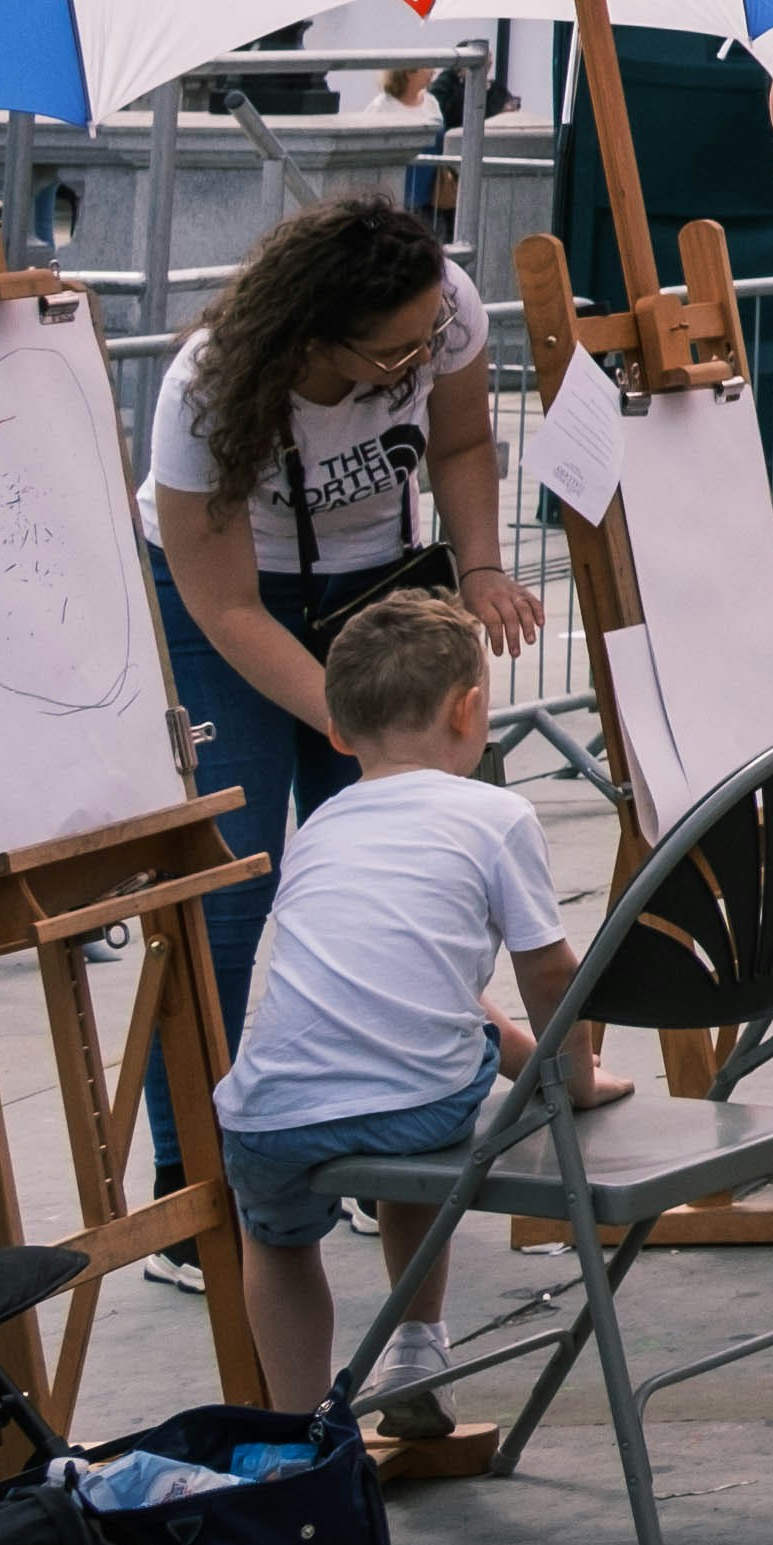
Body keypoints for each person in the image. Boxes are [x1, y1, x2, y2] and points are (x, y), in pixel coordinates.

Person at [132, 196, 547, 1197]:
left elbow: (458, 443)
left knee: (397, 863)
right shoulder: (208, 387)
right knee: (229, 881)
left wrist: (482, 563)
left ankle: (382, 1129)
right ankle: (199, 1174)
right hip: (232, 598)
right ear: (313, 335)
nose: (412, 364)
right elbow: (224, 603)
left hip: (378, 579)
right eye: (387, 356)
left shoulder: (440, 304)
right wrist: (346, 714)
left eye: (421, 344)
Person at [206, 591, 585, 1436]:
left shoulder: (319, 828)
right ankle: (417, 1342)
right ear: (470, 708)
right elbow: (552, 975)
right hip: (414, 1106)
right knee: (420, 1088)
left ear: (336, 734)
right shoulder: (498, 815)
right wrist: (577, 1075)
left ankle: (304, 1433)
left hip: (270, 1112)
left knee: (275, 1237)